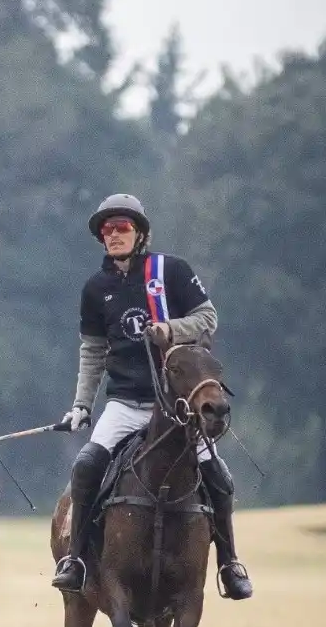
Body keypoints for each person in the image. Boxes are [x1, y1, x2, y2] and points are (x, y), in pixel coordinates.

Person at [50, 193, 253, 600]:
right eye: (107, 230)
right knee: (87, 466)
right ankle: (76, 560)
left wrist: (169, 330)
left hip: (177, 409)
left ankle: (229, 564)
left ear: (140, 232)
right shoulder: (96, 289)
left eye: (122, 227)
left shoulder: (171, 271)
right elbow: (92, 352)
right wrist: (81, 406)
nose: (114, 235)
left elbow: (208, 317)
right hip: (124, 405)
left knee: (219, 477)